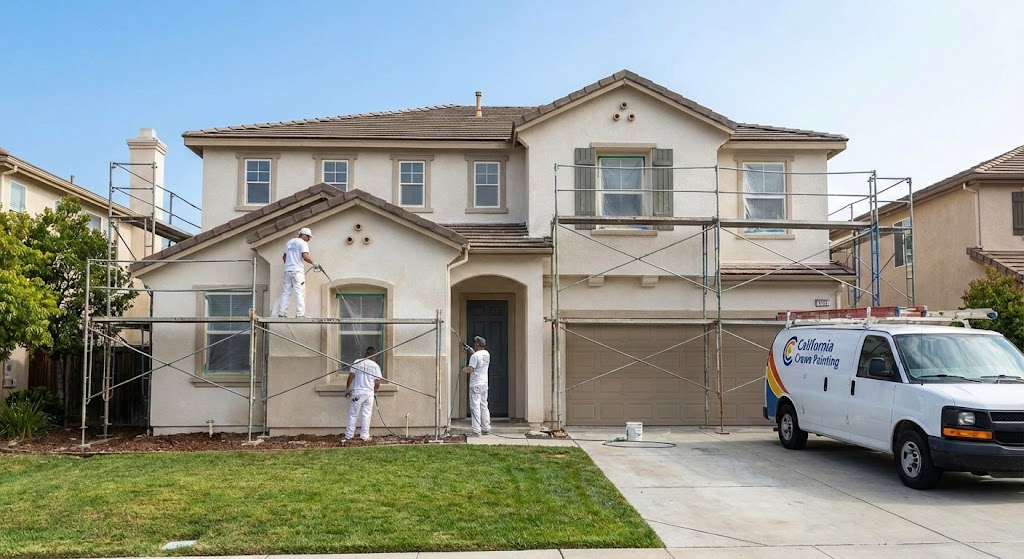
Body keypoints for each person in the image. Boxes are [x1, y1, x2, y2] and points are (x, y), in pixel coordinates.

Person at [278, 227, 319, 318]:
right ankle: (300, 314)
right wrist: (314, 263)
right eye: (308, 237)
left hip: (287, 271)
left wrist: (289, 265)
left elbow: (284, 257)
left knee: (286, 292)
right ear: (304, 235)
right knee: (300, 293)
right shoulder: (303, 243)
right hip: (297, 272)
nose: (308, 240)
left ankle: (282, 313)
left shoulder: (289, 242)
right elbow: (305, 256)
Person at [344, 346, 382, 442]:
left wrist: (347, 389)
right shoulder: (375, 366)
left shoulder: (357, 362)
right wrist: (375, 391)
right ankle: (364, 436)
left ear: (366, 353)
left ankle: (349, 435)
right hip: (369, 393)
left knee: (353, 414)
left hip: (358, 392)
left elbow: (351, 376)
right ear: (373, 355)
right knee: (367, 414)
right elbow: (377, 382)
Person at [462, 336, 491, 436]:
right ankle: (486, 428)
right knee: (484, 405)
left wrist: (463, 369)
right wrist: (470, 350)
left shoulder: (474, 357)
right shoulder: (486, 354)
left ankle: (476, 430)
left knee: (475, 407)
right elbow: (478, 357)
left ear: (477, 344)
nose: (474, 344)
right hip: (484, 384)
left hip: (475, 384)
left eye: (475, 343)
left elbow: (470, 369)